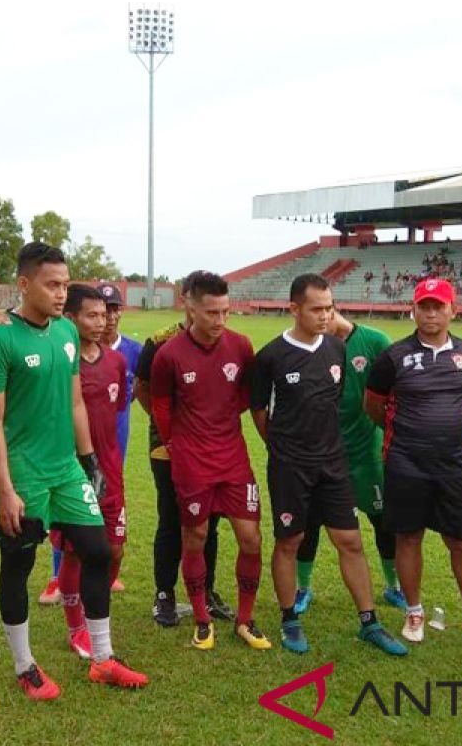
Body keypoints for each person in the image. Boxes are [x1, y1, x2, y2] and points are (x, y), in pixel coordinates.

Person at [0, 243, 147, 700]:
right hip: (23, 474)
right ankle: (24, 665)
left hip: (66, 469)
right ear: (25, 284)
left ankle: (103, 659)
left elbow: (74, 403)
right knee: (20, 562)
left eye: (65, 284)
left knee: (97, 551)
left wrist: (88, 461)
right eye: (52, 284)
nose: (60, 293)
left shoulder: (67, 334)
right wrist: (5, 489)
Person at [249, 274, 407, 656]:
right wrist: (283, 449)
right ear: (294, 309)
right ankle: (290, 620)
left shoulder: (336, 350)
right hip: (291, 466)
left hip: (333, 464)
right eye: (316, 308)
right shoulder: (270, 357)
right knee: (290, 541)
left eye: (329, 307)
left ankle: (369, 622)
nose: (325, 315)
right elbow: (259, 413)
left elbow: (331, 402)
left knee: (350, 541)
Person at [365, 278, 462, 649]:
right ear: (413, 310)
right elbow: (374, 405)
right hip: (405, 463)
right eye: (423, 306)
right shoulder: (393, 356)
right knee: (409, 537)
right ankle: (414, 610)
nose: (430, 313)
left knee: (461, 540)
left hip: (452, 464)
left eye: (438, 306)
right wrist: (411, 435)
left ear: (452, 310)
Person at [150, 271, 266, 650]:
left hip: (233, 457)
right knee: (195, 535)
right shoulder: (169, 353)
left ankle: (245, 621)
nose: (220, 321)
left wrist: (220, 422)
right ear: (190, 306)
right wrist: (177, 443)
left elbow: (246, 394)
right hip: (193, 462)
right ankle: (202, 620)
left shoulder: (241, 346)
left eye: (226, 312)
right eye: (212, 313)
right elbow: (161, 404)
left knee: (251, 539)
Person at [291, 309, 405, 614]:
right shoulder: (311, 345)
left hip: (367, 452)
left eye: (320, 310)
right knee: (310, 522)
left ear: (331, 309)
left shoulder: (374, 341)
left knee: (383, 521)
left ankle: (394, 587)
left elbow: (397, 389)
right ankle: (302, 589)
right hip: (323, 453)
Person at [134, 275, 228, 627]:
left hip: (211, 450)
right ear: (188, 303)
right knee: (172, 520)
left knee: (210, 522)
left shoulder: (224, 343)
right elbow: (142, 389)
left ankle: (207, 590)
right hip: (168, 449)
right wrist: (168, 430)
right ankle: (165, 594)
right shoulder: (160, 343)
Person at [55, 284, 130, 656]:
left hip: (111, 470)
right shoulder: (61, 364)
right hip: (74, 471)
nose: (100, 322)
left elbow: (114, 413)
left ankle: (94, 607)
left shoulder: (116, 362)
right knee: (77, 553)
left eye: (104, 315)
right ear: (71, 318)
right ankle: (76, 627)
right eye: (91, 315)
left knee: (114, 550)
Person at [97, 283, 138, 593]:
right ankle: (59, 575)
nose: (109, 317)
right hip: (82, 440)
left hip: (117, 442)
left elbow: (138, 392)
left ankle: (104, 572)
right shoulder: (76, 349)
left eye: (114, 309)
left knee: (107, 502)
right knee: (74, 504)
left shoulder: (133, 351)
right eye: (103, 310)